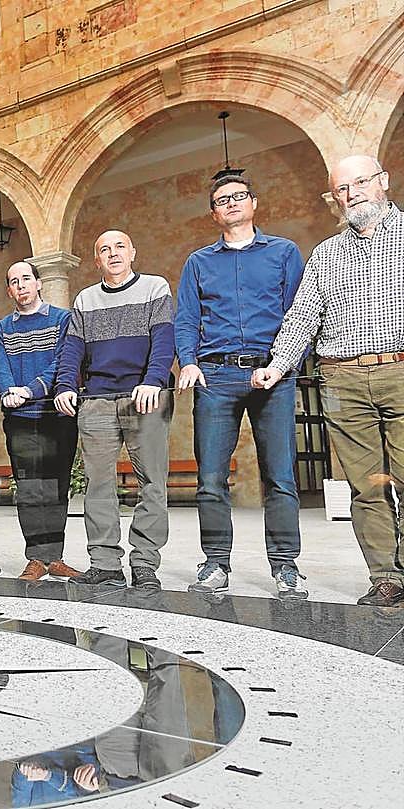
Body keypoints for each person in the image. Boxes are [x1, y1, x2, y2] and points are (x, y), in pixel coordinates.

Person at [255, 155, 404, 607]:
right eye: (341, 188)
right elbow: (302, 317)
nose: (351, 193)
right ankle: (386, 577)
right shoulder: (325, 253)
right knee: (367, 485)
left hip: (400, 370)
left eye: (359, 182)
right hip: (341, 379)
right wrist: (278, 365)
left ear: (382, 182)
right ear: (333, 198)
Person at [175, 175, 308, 600]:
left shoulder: (284, 253)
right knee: (211, 477)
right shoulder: (198, 262)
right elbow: (185, 319)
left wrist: (284, 365)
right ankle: (215, 562)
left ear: (253, 202)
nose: (230, 204)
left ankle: (286, 566)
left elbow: (300, 314)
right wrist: (190, 363)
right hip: (216, 378)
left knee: (280, 475)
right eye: (221, 201)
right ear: (213, 213)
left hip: (273, 374)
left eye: (237, 197)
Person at [54, 230, 174, 591]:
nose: (113, 253)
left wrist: (153, 380)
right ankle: (105, 564)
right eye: (104, 249)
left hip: (146, 397)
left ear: (133, 251)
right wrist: (64, 386)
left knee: (152, 483)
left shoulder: (155, 288)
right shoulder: (85, 300)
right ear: (97, 260)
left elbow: (164, 340)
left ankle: (145, 564)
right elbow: (72, 348)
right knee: (98, 485)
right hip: (97, 401)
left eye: (120, 246)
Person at [0, 261, 82, 581]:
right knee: (29, 490)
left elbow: (62, 363)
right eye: (14, 281)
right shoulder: (2, 329)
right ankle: (35, 558)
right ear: (9, 290)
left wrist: (29, 390)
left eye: (26, 279)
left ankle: (54, 558)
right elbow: (0, 368)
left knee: (56, 488)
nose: (21, 286)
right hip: (20, 419)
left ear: (38, 283)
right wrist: (7, 392)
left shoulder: (62, 319)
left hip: (57, 417)